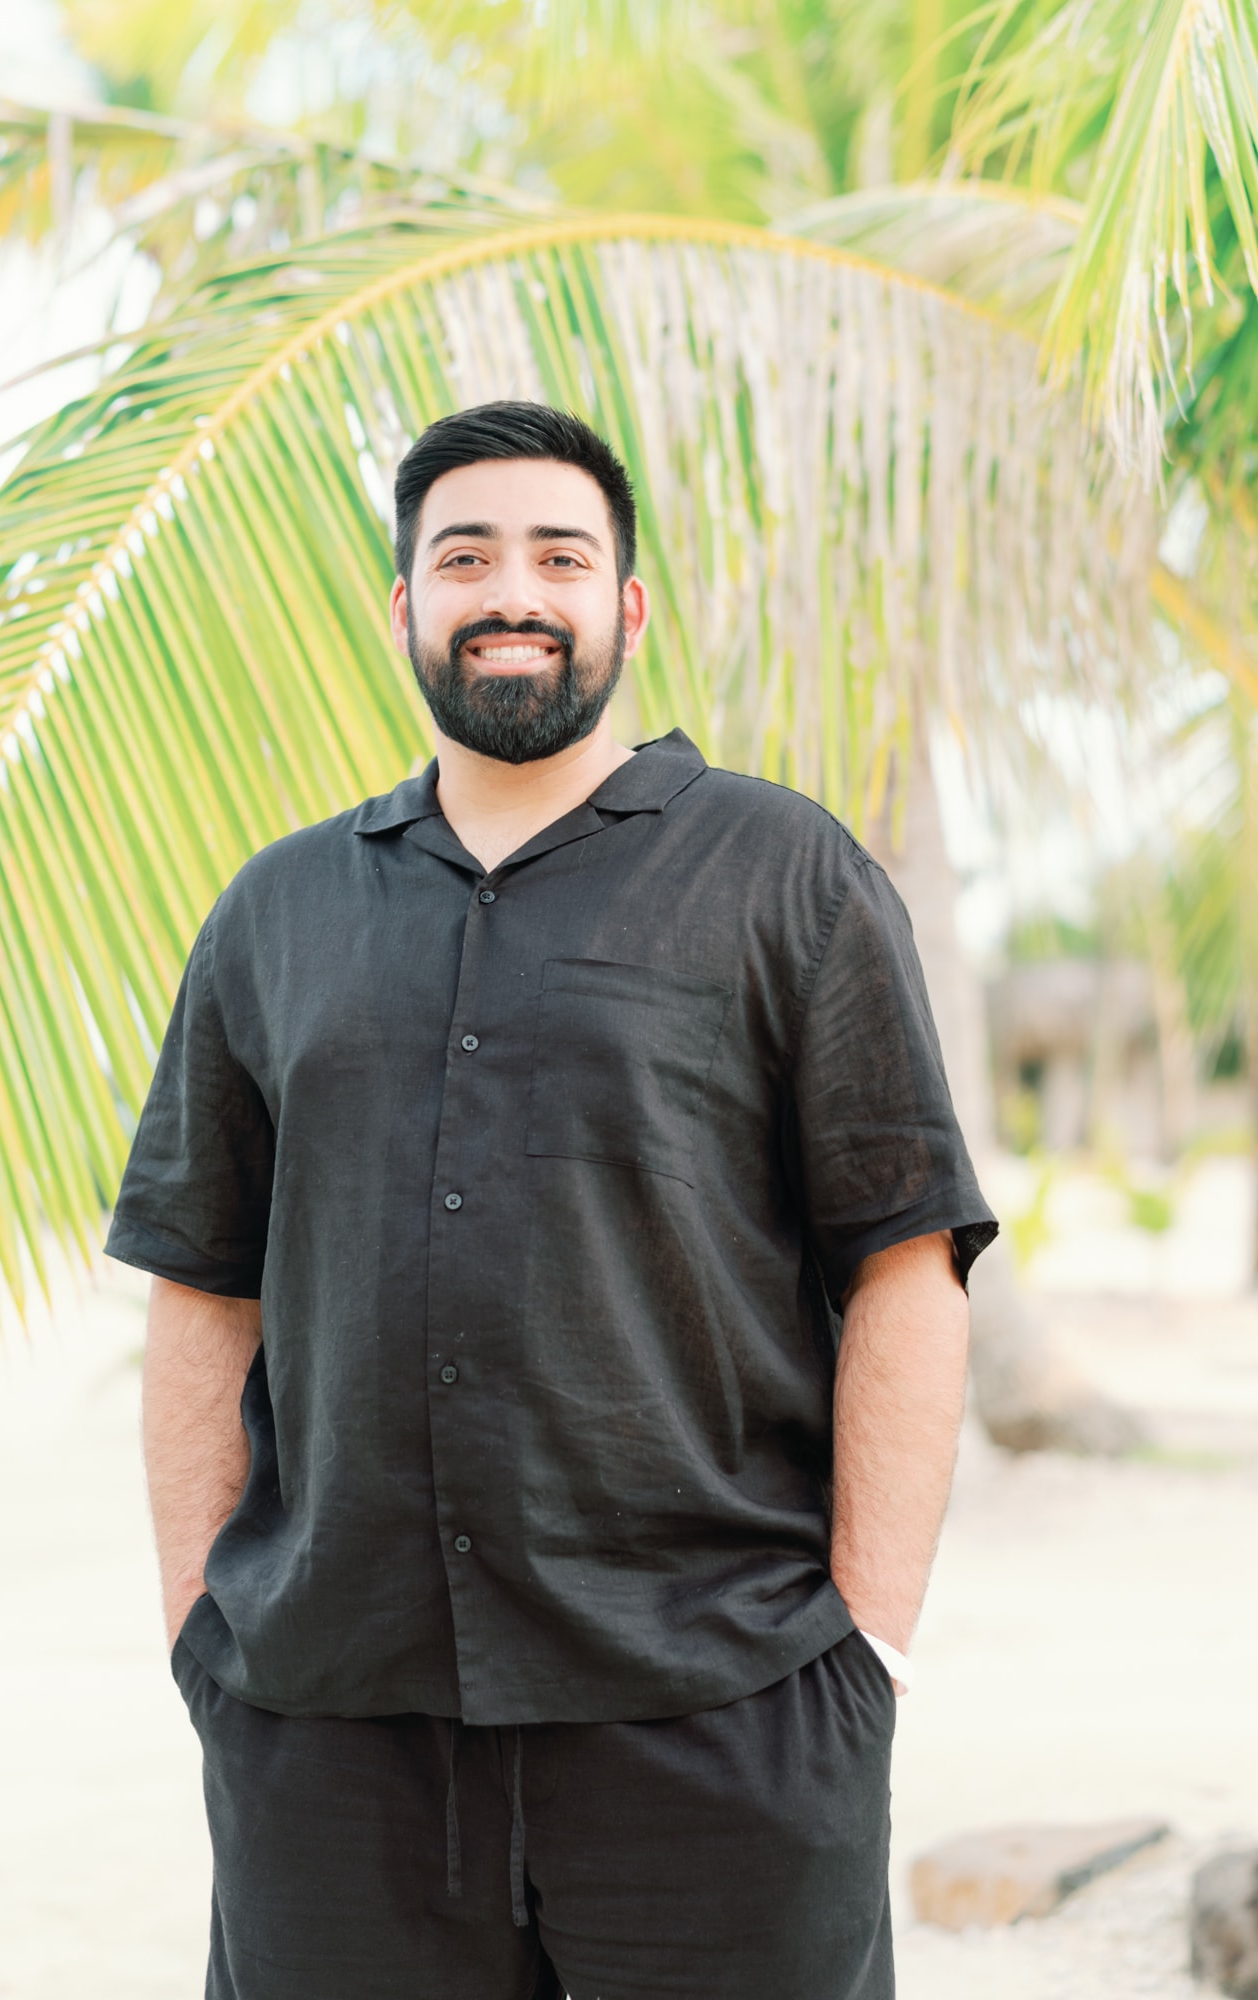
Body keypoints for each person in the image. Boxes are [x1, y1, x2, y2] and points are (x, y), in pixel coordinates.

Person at [106, 400, 997, 2000]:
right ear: (405, 607)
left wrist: (870, 1650)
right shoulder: (276, 912)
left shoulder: (789, 877)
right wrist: (203, 1638)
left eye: (558, 555)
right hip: (329, 1734)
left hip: (722, 1723)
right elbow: (199, 1287)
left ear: (625, 607)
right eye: (465, 556)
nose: (512, 588)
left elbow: (907, 1265)